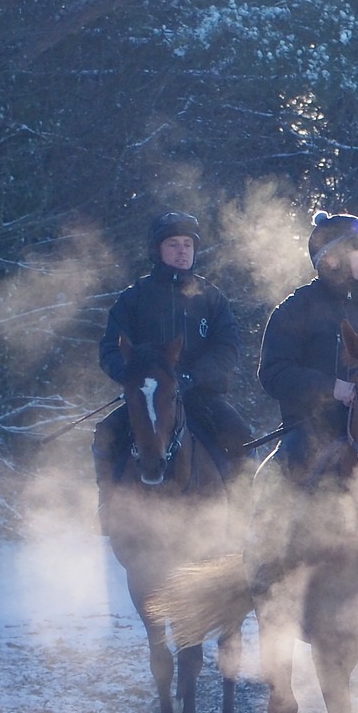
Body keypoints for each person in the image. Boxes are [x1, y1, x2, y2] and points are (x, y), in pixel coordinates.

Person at [94, 210, 249, 506]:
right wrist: (131, 376)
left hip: (201, 396)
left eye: (187, 245)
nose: (182, 252)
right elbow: (110, 348)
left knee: (241, 434)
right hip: (147, 398)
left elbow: (228, 348)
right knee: (105, 434)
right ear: (157, 250)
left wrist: (193, 376)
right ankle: (107, 505)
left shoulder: (212, 297)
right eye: (173, 244)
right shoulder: (133, 297)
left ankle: (244, 511)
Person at [258, 209, 358, 477]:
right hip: (310, 428)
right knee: (272, 484)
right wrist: (331, 388)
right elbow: (274, 374)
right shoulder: (293, 310)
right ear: (333, 260)